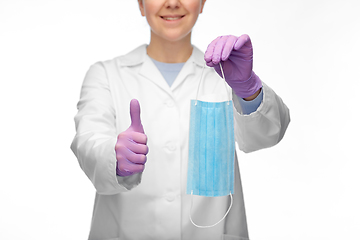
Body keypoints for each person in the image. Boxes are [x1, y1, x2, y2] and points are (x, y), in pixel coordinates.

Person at [71, 0, 290, 239]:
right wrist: (114, 157)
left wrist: (248, 89)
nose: (173, 3)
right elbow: (87, 142)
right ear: (141, 5)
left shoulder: (224, 73)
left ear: (203, 3)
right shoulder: (107, 74)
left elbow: (266, 135)